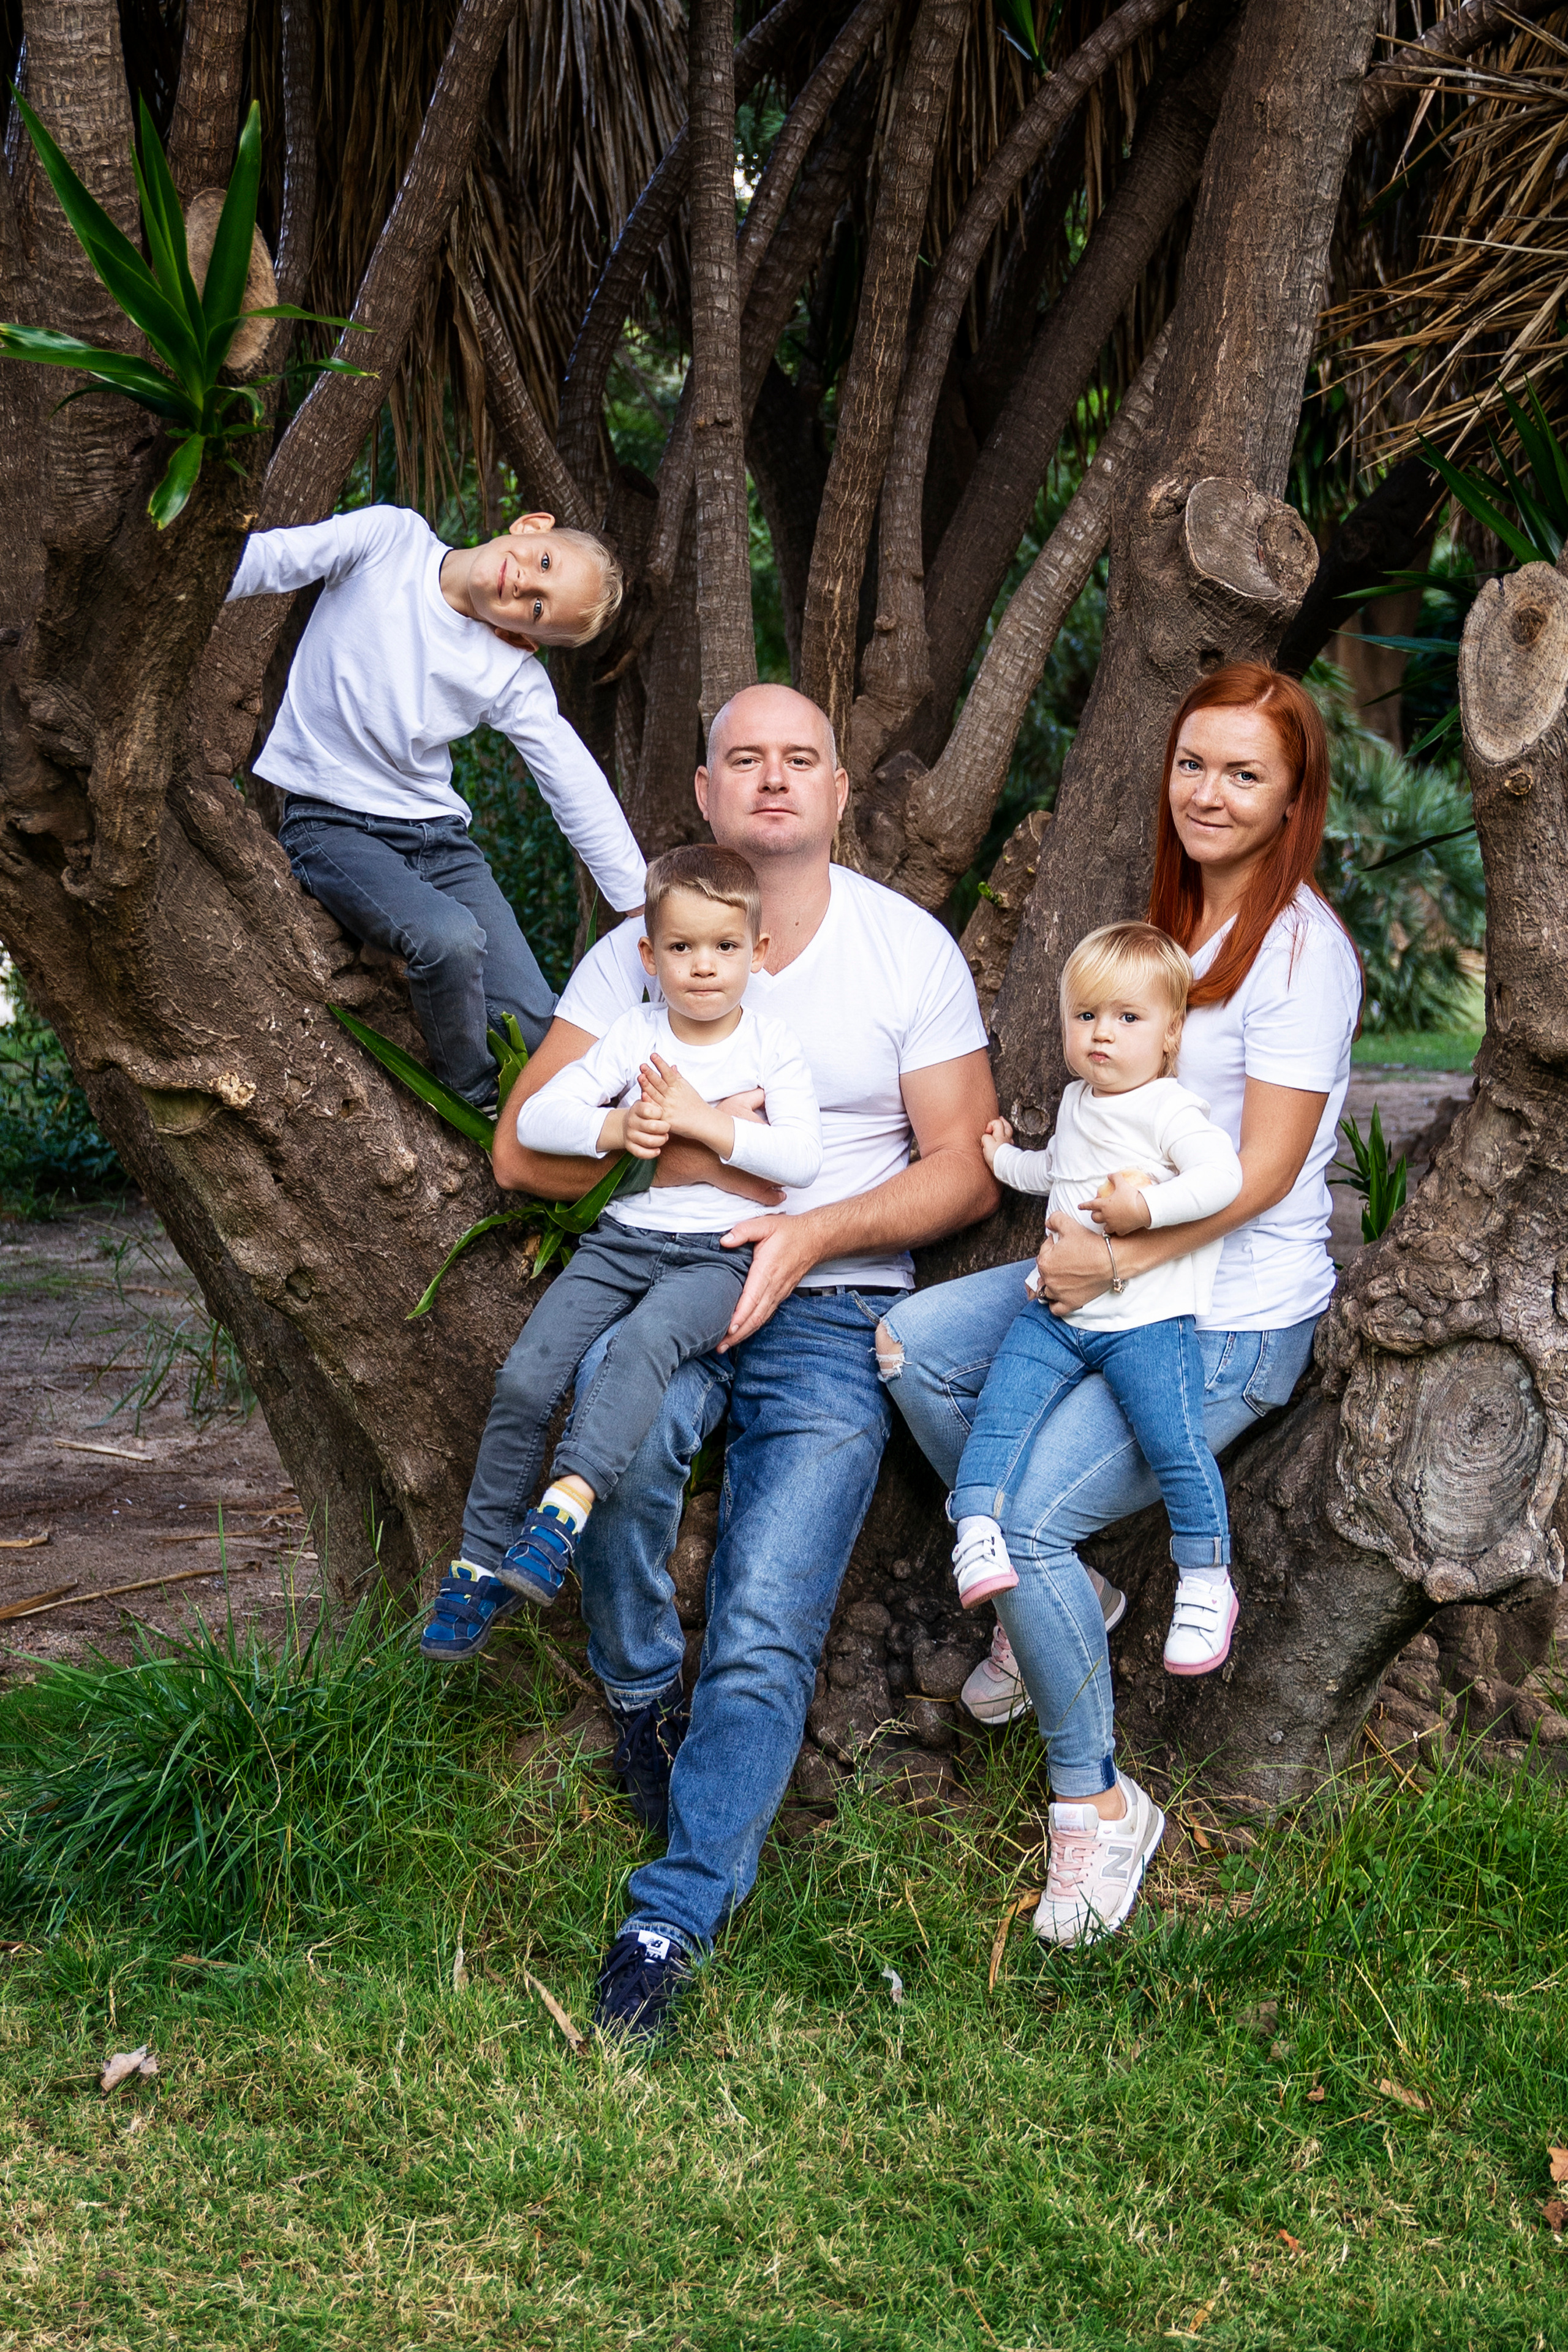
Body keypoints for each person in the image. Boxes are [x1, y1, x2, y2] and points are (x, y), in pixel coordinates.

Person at [421, 680, 1000, 2041]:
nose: (775, 779)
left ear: (841, 790)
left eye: (802, 758)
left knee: (759, 1622)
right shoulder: (643, 947)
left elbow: (966, 1168)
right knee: (613, 1467)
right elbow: (523, 1152)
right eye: (744, 757)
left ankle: (667, 1915)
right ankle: (634, 1695)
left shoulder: (902, 950)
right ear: (702, 793)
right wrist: (689, 1146)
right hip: (669, 1275)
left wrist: (808, 1234)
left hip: (830, 1306)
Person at [877, 662, 1362, 1949]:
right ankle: (1073, 1603)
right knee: (910, 1348)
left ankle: (1095, 1807)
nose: (1209, 792)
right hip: (1095, 1286)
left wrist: (1119, 1263)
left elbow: (1258, 1176)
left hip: (1227, 1315)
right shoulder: (1174, 925)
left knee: (1021, 1522)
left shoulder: (1300, 955)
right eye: (1192, 763)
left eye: (1244, 772)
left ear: (1291, 796)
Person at [423, 843, 820, 1635]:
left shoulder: (772, 1044)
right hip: (620, 1244)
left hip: (719, 1255)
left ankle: (559, 1518)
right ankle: (473, 1568)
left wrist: (699, 1120)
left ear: (759, 952)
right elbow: (538, 1118)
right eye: (681, 947)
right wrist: (617, 1124)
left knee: (643, 1344)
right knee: (526, 1379)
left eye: (724, 947)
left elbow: (801, 1162)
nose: (703, 966)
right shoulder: (635, 1033)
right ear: (648, 953)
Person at [225, 504, 646, 1105]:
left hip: (437, 841)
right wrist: (180, 570)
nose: (526, 581)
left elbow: (570, 778)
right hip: (331, 824)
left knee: (534, 1026)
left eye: (538, 607)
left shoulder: (507, 670)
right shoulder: (390, 541)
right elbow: (280, 558)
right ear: (531, 525)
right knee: (448, 939)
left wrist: (634, 902)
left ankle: (593, 1134)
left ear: (521, 637)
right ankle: (472, 1100)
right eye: (544, 561)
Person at [951, 921, 1243, 1692]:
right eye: (1085, 1018)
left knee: (1171, 1441)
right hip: (1058, 1314)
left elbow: (1222, 1182)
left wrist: (1144, 1211)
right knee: (1000, 1409)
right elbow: (1057, 1169)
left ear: (1171, 1033)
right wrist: (998, 1159)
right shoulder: (1081, 1099)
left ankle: (1206, 1579)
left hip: (1145, 1322)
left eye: (1127, 1018)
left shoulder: (1169, 1108)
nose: (1102, 1036)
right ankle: (978, 1526)